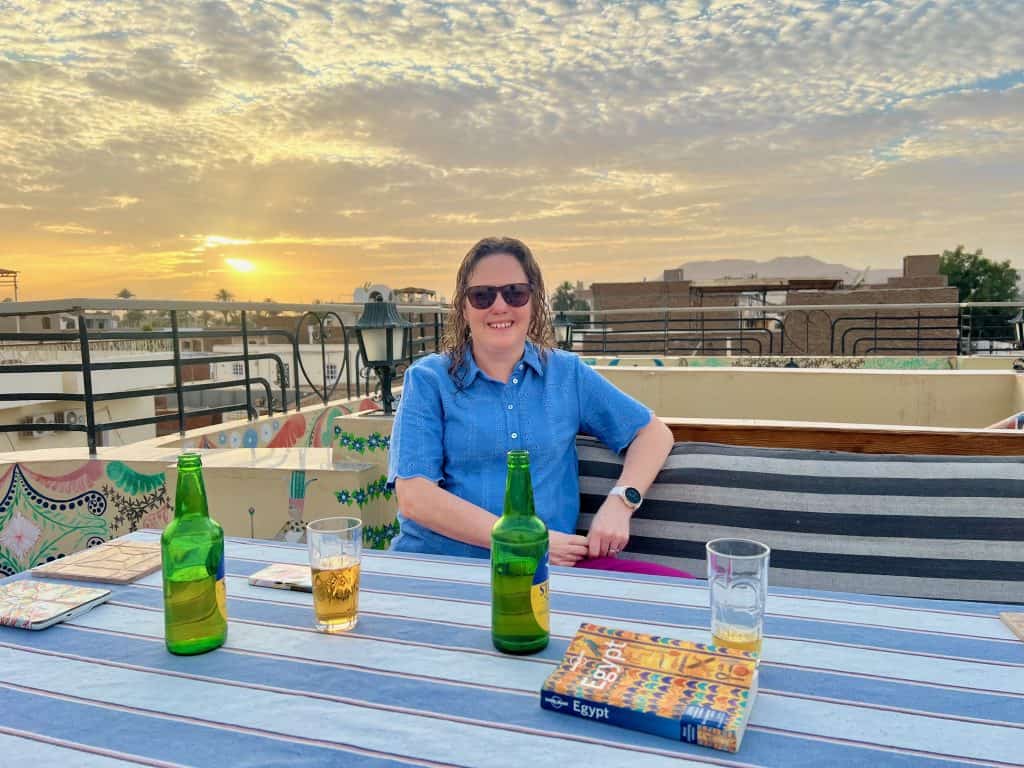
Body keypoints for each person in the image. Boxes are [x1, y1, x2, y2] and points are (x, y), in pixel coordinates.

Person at [387, 236, 685, 574]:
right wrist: (526, 540)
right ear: (464, 306)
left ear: (534, 300)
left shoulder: (566, 374)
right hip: (443, 568)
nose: (499, 306)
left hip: (540, 575)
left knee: (685, 594)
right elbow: (415, 497)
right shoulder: (428, 380)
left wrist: (620, 502)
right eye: (482, 295)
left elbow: (652, 432)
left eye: (514, 292)